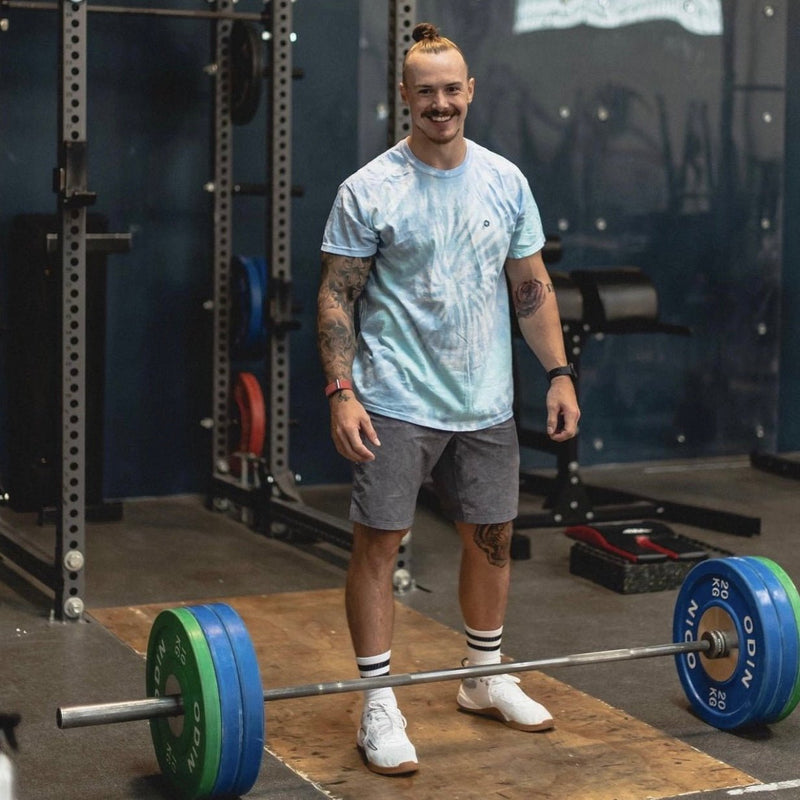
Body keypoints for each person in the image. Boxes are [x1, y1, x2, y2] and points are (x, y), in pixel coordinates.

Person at [316, 22, 580, 775]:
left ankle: (482, 675)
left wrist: (558, 373)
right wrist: (342, 391)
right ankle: (378, 700)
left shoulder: (504, 180)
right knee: (380, 544)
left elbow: (530, 289)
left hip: (486, 402)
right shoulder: (369, 189)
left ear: (470, 92)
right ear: (405, 96)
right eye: (425, 91)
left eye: (451, 90)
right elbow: (337, 297)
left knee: (492, 539)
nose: (440, 103)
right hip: (395, 399)